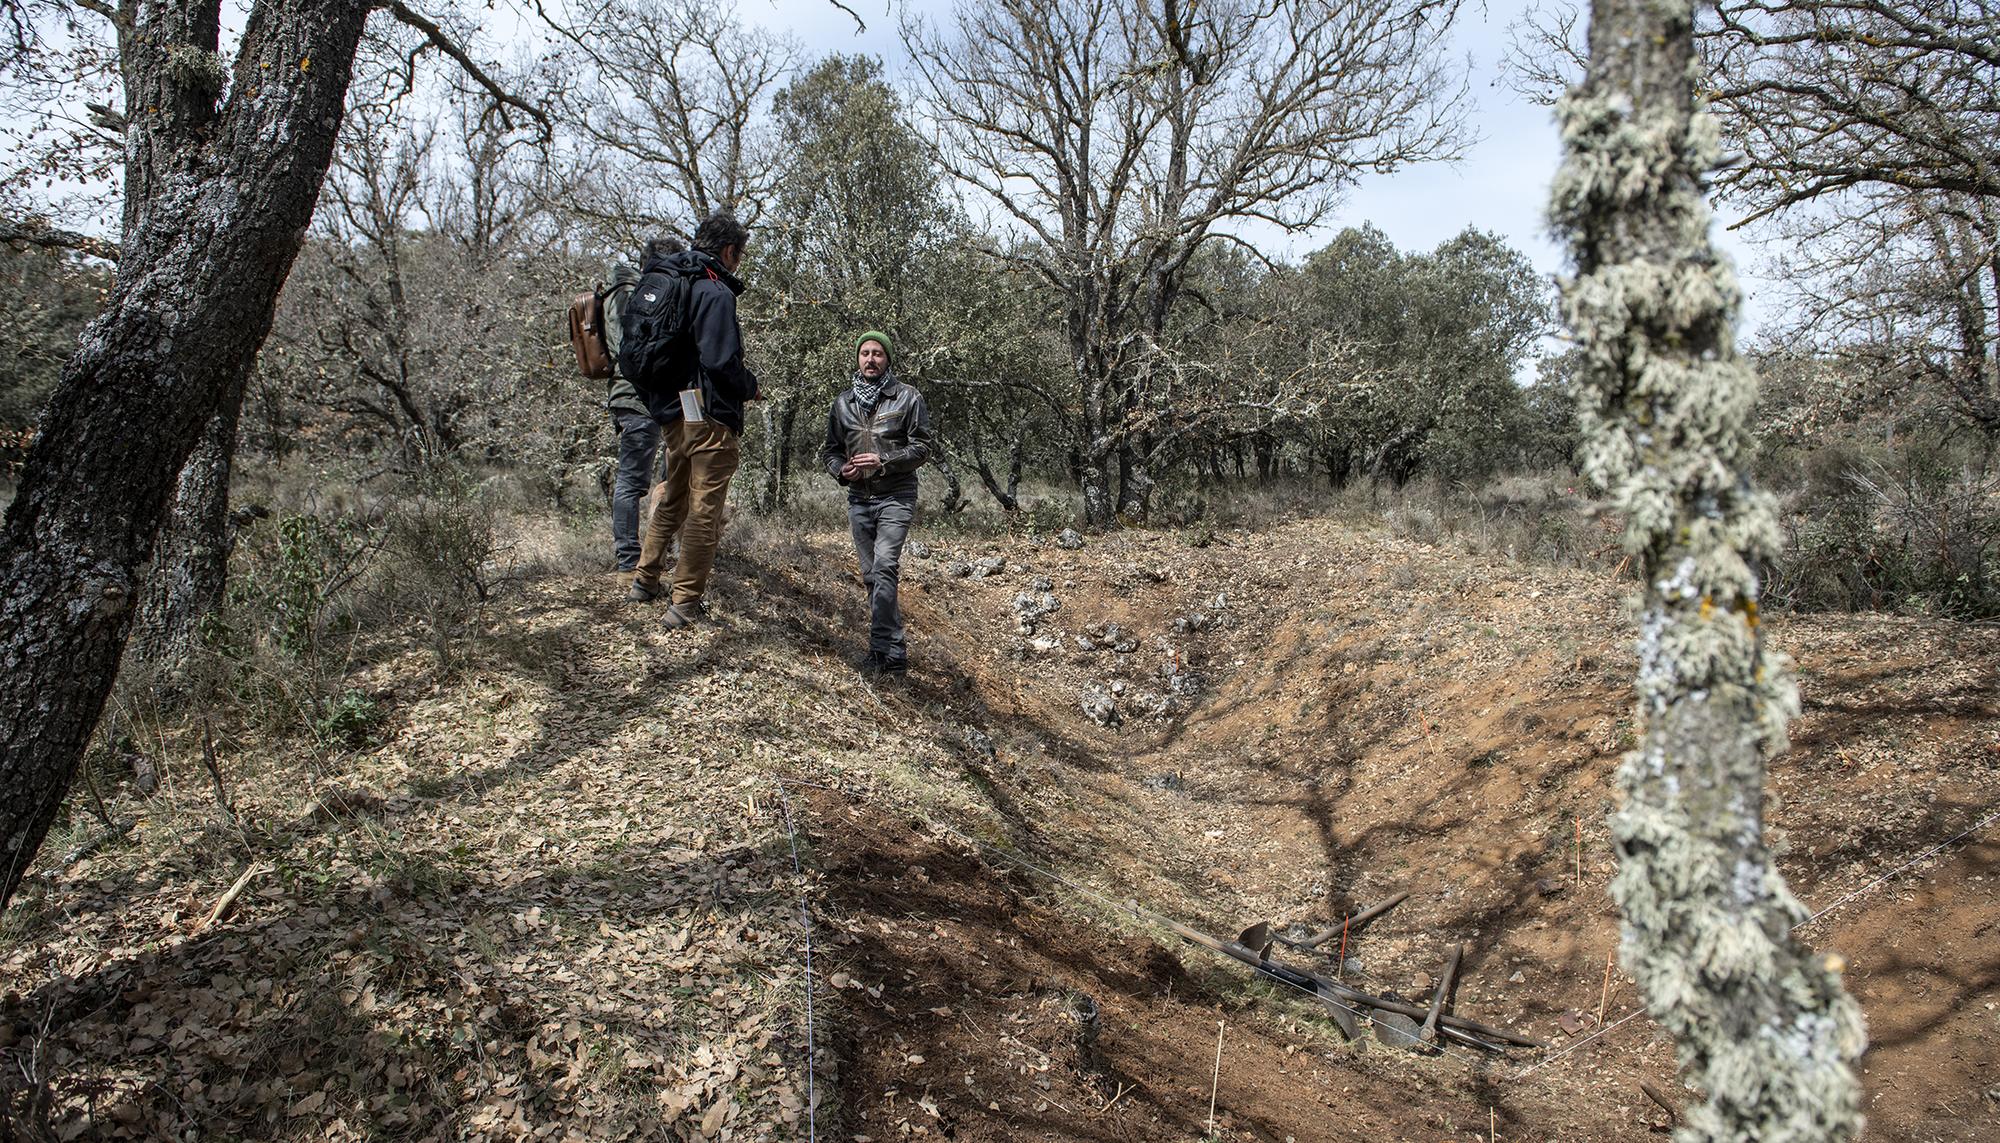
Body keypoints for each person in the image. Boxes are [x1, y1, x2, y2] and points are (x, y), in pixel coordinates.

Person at [627, 213, 760, 628]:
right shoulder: (714, 291)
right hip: (709, 417)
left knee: (673, 496)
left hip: (674, 412)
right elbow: (721, 361)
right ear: (728, 251)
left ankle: (644, 580)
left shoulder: (675, 281)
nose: (738, 262)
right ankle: (684, 603)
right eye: (739, 254)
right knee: (705, 510)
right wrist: (750, 386)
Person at [822, 330, 934, 677]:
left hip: (896, 496)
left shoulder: (907, 398)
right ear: (858, 359)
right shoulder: (843, 403)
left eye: (878, 354)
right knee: (872, 576)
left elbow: (922, 447)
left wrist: (882, 460)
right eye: (865, 353)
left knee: (885, 567)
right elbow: (830, 450)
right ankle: (895, 651)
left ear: (887, 359)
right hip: (859, 498)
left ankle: (878, 649)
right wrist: (843, 470)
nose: (870, 359)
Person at [602, 238, 682, 572]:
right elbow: (630, 349)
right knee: (633, 482)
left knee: (666, 476)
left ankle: (655, 553)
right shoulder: (628, 295)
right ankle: (628, 559)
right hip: (635, 398)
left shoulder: (629, 293)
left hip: (645, 398)